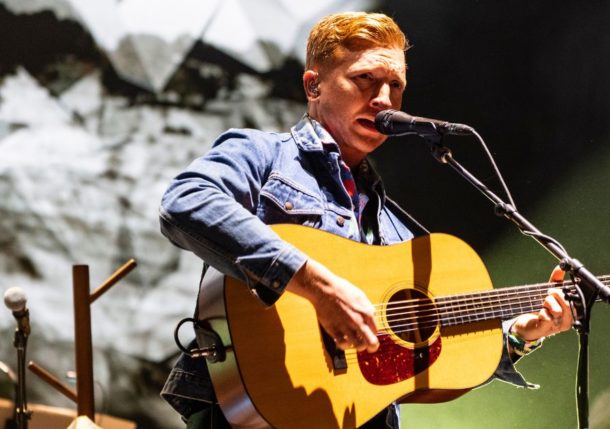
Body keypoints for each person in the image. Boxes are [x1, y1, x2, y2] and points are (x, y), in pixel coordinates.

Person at [159, 11, 573, 429]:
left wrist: (520, 334)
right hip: (249, 410)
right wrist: (316, 285)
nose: (384, 99)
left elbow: (432, 359)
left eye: (395, 85)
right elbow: (184, 202)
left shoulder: (398, 231)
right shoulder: (264, 154)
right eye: (365, 80)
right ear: (313, 85)